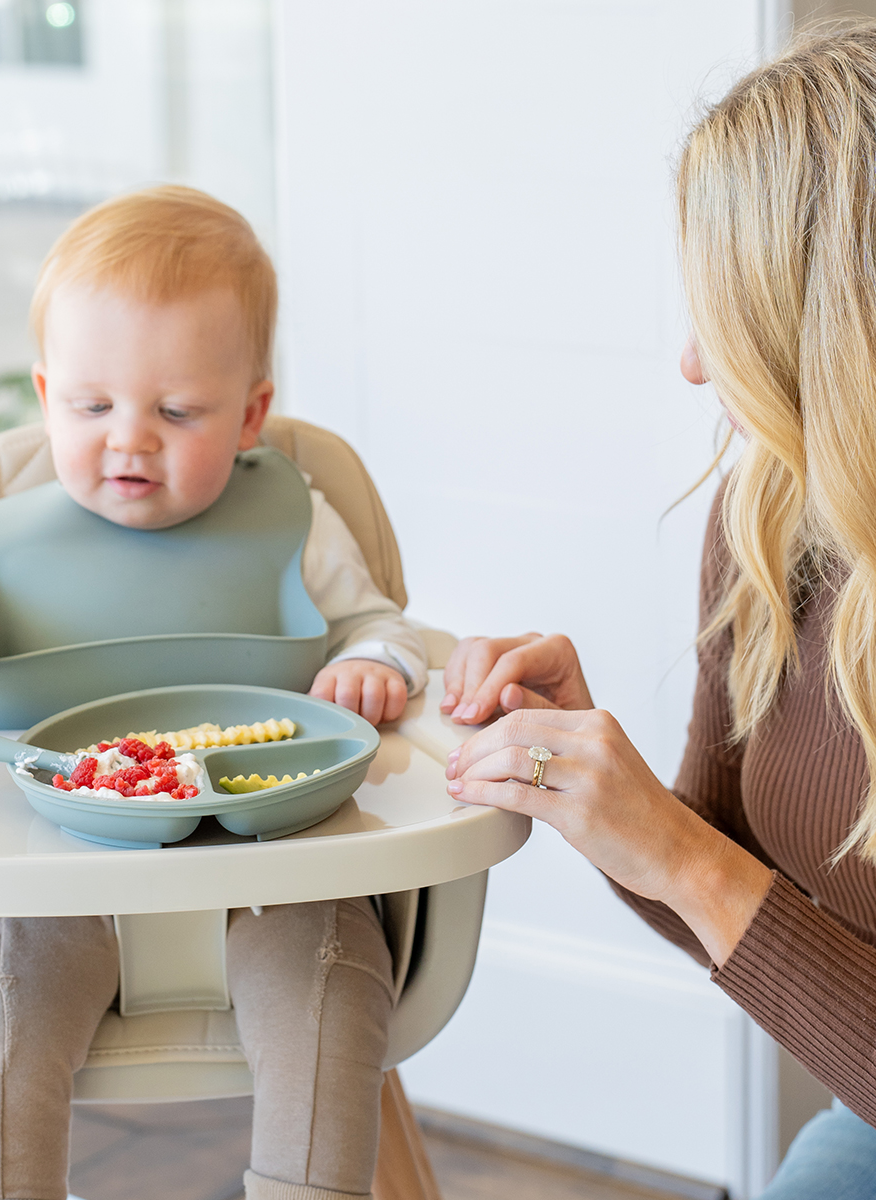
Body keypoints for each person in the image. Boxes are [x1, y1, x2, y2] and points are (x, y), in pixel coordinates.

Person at [0, 186, 428, 1200]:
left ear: (252, 412)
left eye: (176, 412)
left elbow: (381, 623)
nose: (129, 440)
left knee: (338, 995)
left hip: (277, 875)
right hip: (52, 887)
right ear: (44, 396)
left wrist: (373, 664)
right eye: (90, 407)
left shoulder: (295, 516)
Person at [442, 26, 876, 1199]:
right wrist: (611, 801)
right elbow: (724, 894)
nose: (692, 364)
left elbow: (714, 885)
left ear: (838, 334)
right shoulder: (770, 517)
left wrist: (687, 860)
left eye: (727, 318)